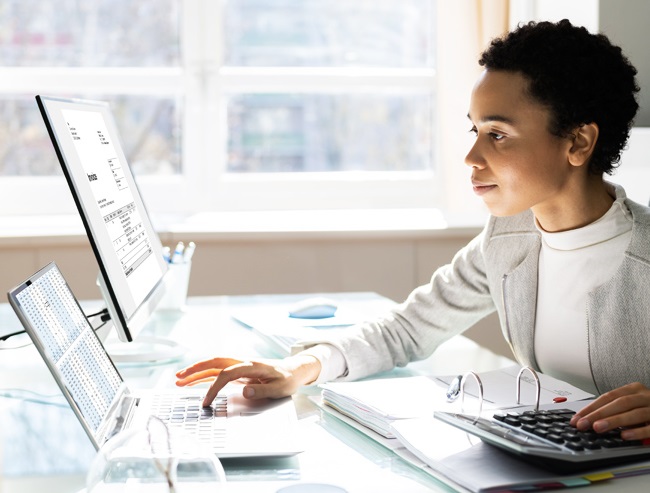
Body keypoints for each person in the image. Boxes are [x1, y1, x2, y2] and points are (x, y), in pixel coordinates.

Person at [177, 19, 650, 440]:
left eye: (498, 134)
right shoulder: (507, 239)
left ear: (578, 141)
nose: (472, 157)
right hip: (556, 466)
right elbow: (406, 328)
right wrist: (299, 367)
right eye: (475, 131)